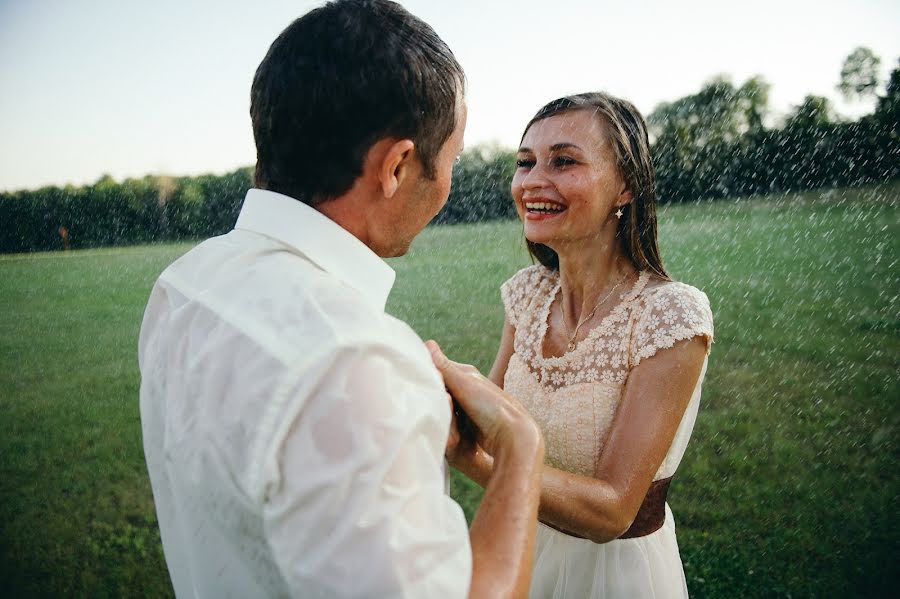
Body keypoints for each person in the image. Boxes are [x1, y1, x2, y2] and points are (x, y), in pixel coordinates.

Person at [137, 1, 544, 597]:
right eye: (450, 159)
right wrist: (520, 451)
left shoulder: (185, 281)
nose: (448, 184)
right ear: (397, 166)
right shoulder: (357, 360)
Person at [451, 92, 714, 598]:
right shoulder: (527, 294)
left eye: (564, 161)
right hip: (522, 553)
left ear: (626, 187)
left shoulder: (669, 315)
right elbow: (487, 421)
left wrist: (476, 462)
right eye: (525, 163)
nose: (532, 181)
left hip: (615, 577)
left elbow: (613, 510)